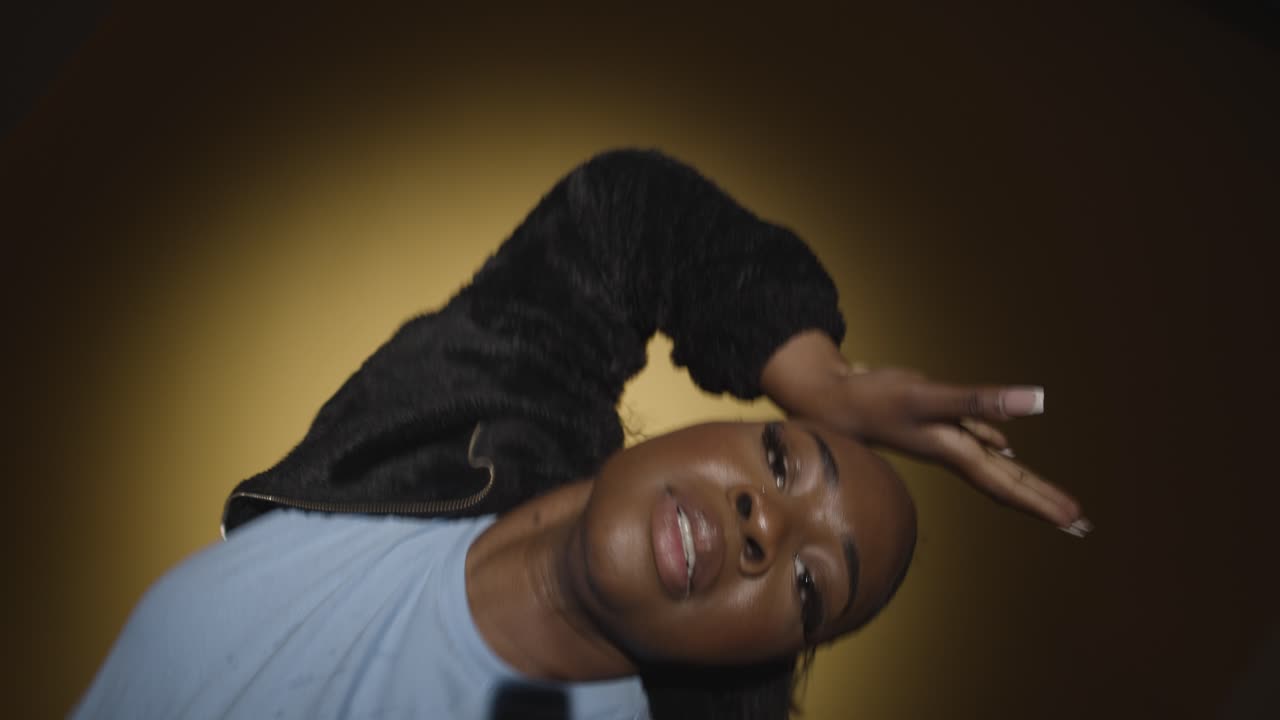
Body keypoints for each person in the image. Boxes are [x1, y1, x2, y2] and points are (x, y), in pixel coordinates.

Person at [74, 149, 1088, 719]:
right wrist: (818, 375)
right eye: (778, 461)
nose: (763, 525)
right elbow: (625, 217)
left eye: (810, 584)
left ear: (766, 663)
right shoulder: (467, 417)